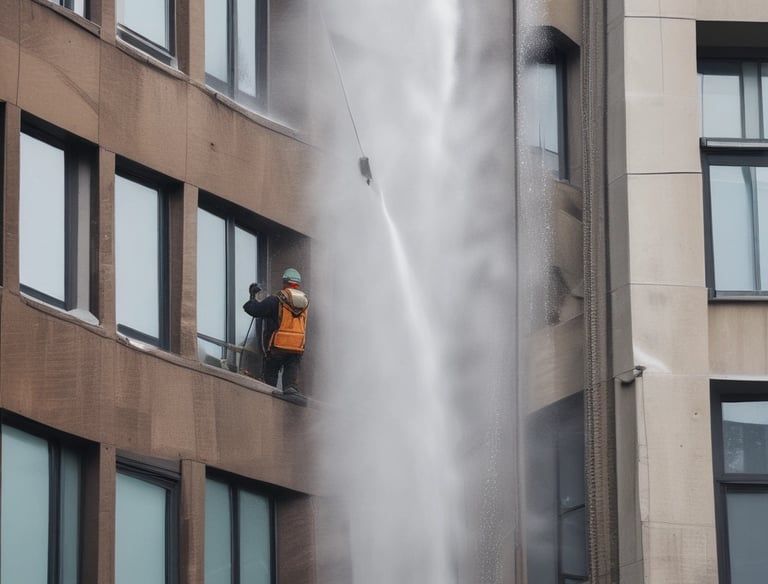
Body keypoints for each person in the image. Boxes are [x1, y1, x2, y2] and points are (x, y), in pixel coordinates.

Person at [243, 268, 309, 406]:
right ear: (298, 284)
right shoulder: (305, 303)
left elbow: (254, 310)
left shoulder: (276, 300)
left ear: (284, 282)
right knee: (291, 375)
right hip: (297, 346)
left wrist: (252, 296)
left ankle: (269, 399)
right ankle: (291, 390)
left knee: (271, 375)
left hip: (277, 346)